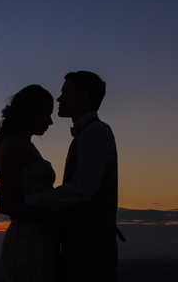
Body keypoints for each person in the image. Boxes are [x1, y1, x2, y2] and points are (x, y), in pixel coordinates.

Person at [25, 71, 118, 282]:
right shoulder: (87, 133)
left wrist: (31, 201)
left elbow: (81, 189)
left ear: (83, 95)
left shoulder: (95, 132)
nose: (59, 98)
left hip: (91, 248)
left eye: (65, 91)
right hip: (84, 244)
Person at [0, 84, 61, 282]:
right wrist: (55, 219)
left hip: (41, 238)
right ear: (31, 112)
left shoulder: (27, 145)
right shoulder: (12, 146)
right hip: (27, 241)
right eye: (46, 114)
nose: (50, 121)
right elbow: (6, 204)